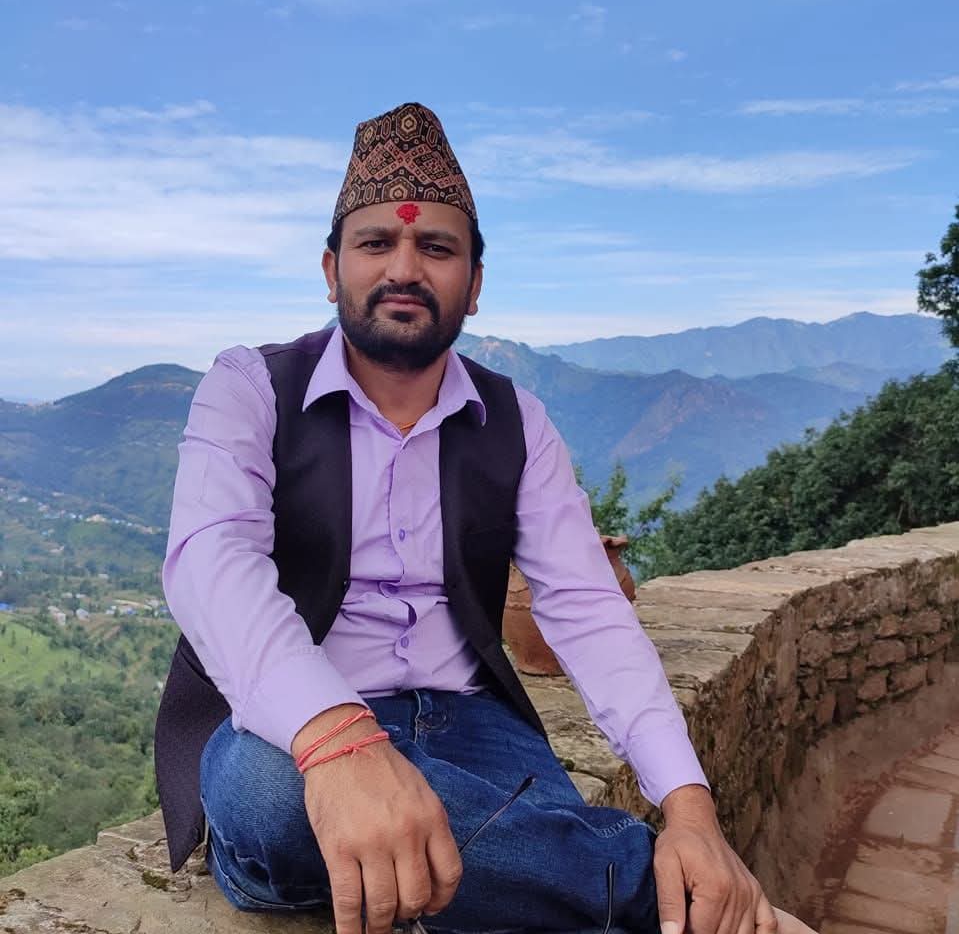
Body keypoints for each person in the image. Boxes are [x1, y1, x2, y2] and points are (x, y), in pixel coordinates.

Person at [156, 103, 809, 934]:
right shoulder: (250, 387)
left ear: (473, 283)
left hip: (472, 721)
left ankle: (584, 881)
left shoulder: (515, 420)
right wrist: (339, 738)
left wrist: (689, 808)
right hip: (291, 727)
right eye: (375, 243)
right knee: (272, 795)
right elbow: (211, 562)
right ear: (331, 269)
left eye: (436, 248)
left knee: (444, 828)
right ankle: (661, 901)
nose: (404, 268)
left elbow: (588, 609)